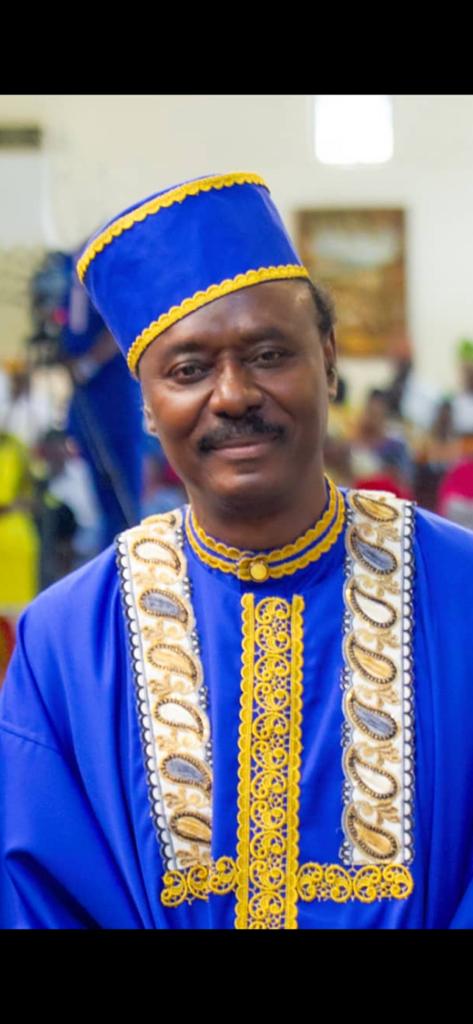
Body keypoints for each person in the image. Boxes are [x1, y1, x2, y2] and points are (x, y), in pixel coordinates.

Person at [1, 171, 473, 930]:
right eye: (188, 371)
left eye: (268, 354)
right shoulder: (67, 643)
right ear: (147, 403)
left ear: (328, 360)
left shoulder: (461, 590)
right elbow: (37, 898)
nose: (232, 396)